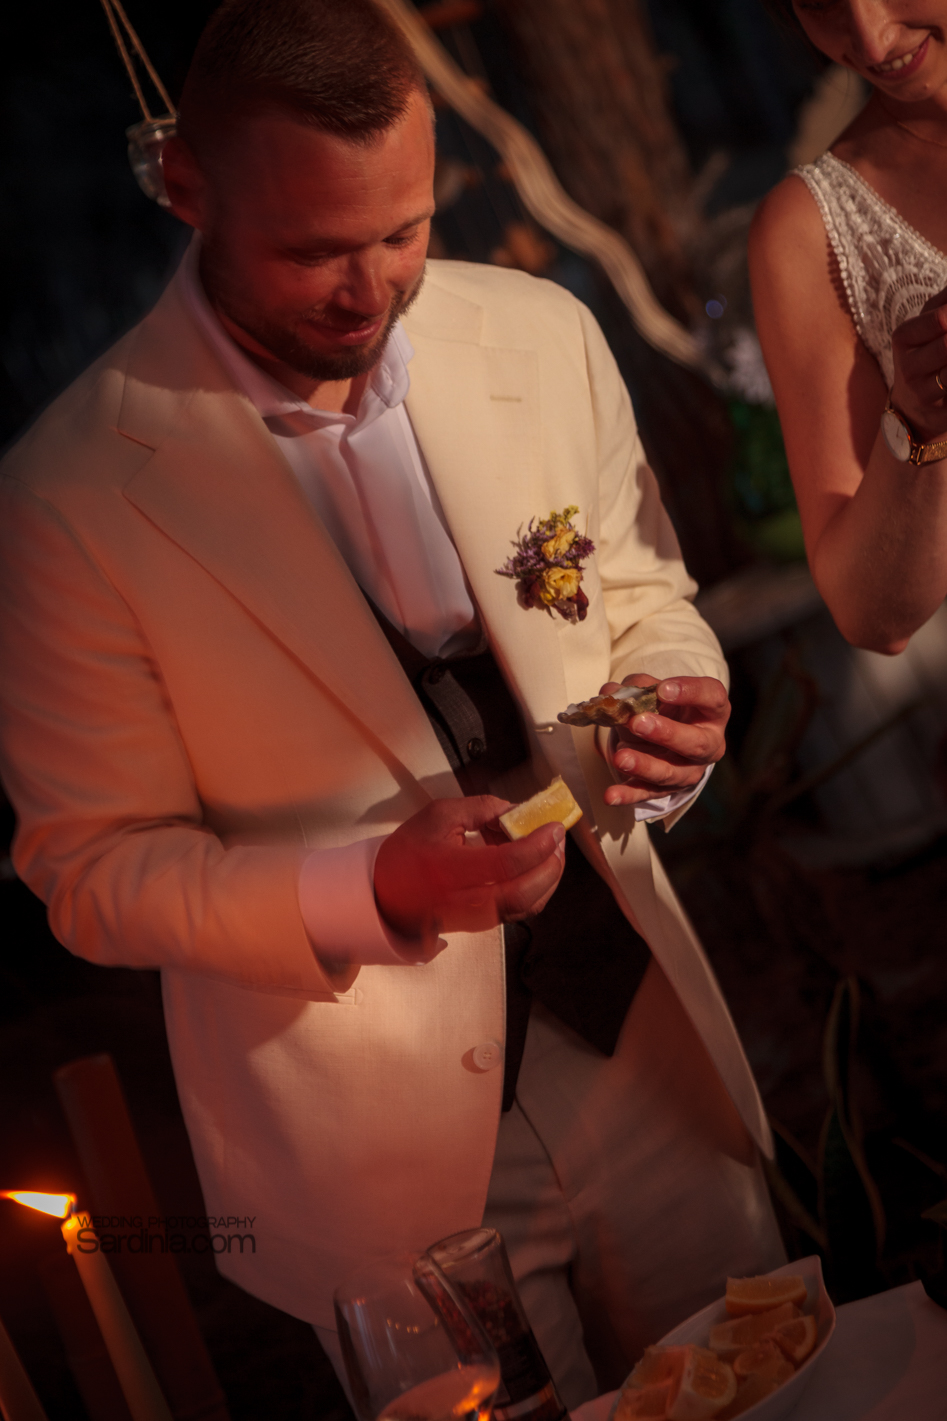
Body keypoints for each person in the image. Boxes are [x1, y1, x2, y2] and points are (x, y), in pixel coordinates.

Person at [0, 0, 783, 1403]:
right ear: (185, 185)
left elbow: (639, 585)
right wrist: (367, 887)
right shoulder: (65, 496)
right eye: (311, 249)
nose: (369, 290)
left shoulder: (540, 331)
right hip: (371, 1161)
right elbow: (91, 868)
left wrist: (680, 692)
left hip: (643, 1040)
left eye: (404, 231)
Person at [750, 1, 947, 656]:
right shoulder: (812, 232)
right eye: (822, 3)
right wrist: (917, 419)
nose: (872, 38)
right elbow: (872, 615)